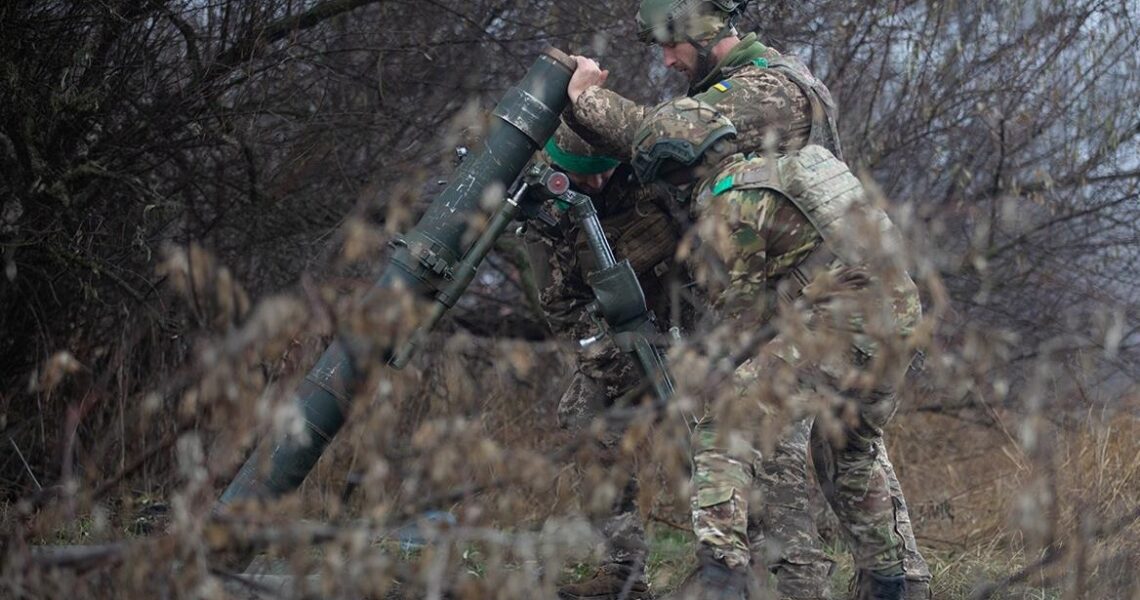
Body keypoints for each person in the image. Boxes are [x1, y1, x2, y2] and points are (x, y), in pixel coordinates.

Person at [559, 1, 932, 597]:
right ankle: (893, 583)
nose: (667, 60)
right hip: (865, 306)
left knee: (739, 427)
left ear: (703, 30)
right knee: (845, 449)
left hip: (828, 312)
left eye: (672, 43)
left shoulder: (770, 93)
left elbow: (662, 134)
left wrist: (583, 99)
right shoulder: (743, 104)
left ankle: (750, 579)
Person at [536, 126, 684, 600]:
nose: (598, 184)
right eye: (585, 176)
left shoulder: (655, 181)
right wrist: (605, 354)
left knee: (713, 442)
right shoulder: (555, 211)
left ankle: (736, 566)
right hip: (621, 346)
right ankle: (624, 573)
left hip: (693, 331)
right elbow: (561, 302)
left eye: (604, 171)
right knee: (584, 419)